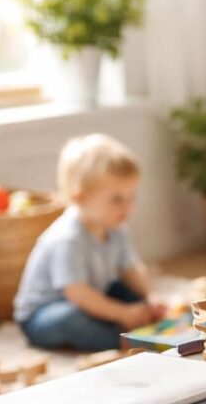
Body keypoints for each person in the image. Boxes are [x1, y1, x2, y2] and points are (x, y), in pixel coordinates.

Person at [14, 134, 165, 351]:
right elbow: (78, 294)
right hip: (45, 315)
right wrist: (123, 313)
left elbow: (130, 269)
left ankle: (133, 316)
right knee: (72, 318)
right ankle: (118, 338)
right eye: (116, 199)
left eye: (131, 197)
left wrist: (150, 296)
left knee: (124, 290)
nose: (127, 207)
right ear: (80, 198)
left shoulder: (116, 226)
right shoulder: (67, 238)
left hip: (91, 293)